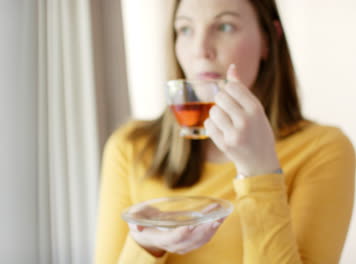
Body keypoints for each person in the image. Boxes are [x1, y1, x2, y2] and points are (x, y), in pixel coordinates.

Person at [95, 0, 355, 263]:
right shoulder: (129, 147)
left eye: (225, 26)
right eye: (185, 30)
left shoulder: (324, 149)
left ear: (269, 40)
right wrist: (144, 247)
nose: (200, 50)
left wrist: (260, 171)